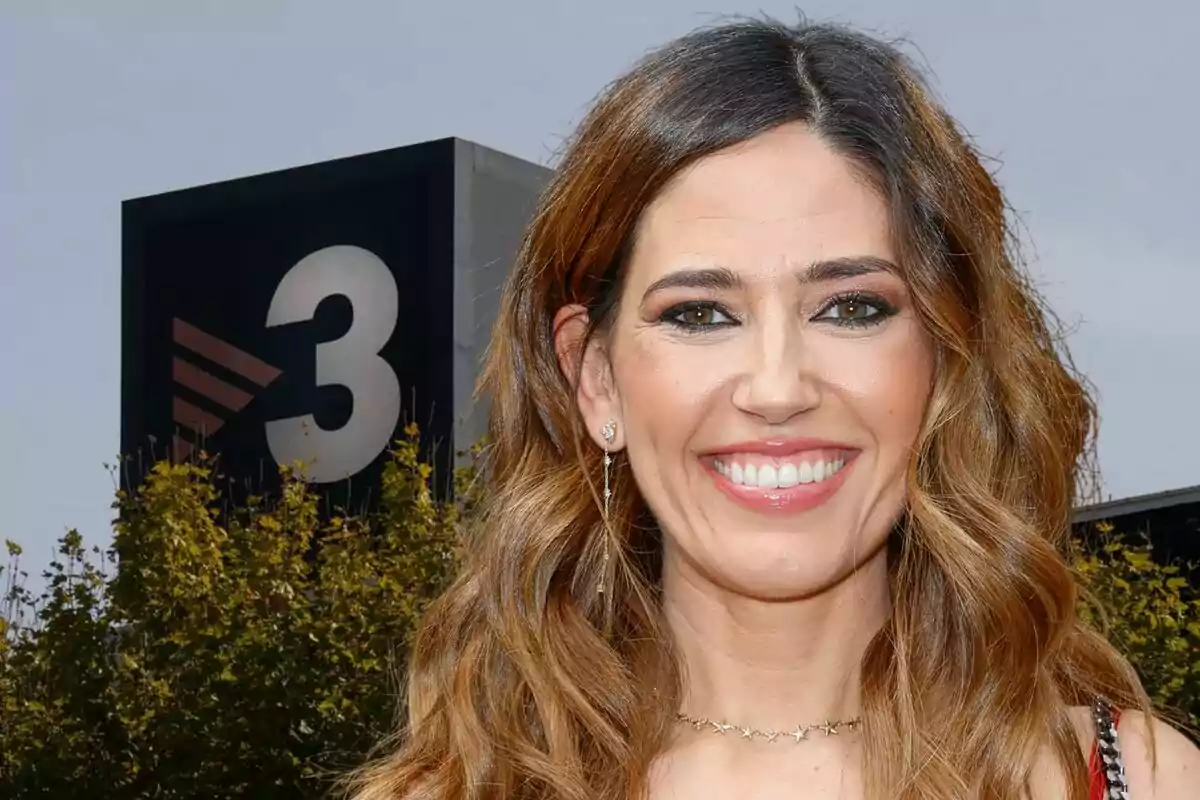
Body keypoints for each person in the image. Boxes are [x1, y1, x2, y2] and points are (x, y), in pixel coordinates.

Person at [349, 16, 1200, 799]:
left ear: (947, 361)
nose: (777, 388)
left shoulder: (1137, 783)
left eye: (853, 308)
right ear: (596, 380)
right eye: (699, 315)